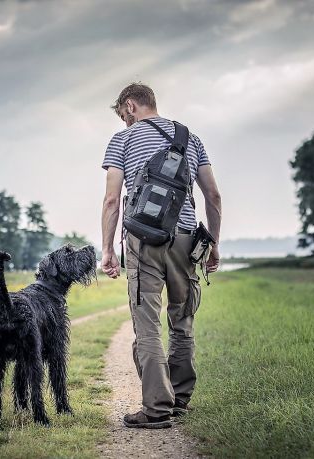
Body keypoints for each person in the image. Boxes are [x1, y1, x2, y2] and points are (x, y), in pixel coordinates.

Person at [100, 82, 222, 428]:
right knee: (182, 321)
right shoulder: (189, 137)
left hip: (143, 239)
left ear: (131, 105)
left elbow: (112, 200)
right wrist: (213, 242)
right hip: (185, 237)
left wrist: (108, 249)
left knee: (147, 324)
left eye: (124, 114)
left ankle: (156, 409)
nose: (125, 122)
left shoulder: (122, 141)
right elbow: (212, 195)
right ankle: (180, 400)